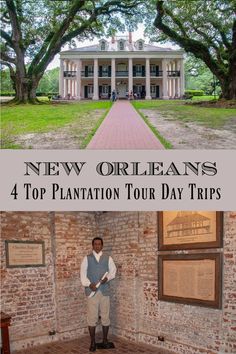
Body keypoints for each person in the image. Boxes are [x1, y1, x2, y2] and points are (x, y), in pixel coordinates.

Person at [80, 237, 117, 352]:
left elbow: (113, 271)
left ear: (102, 245)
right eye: (95, 244)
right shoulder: (87, 258)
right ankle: (92, 342)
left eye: (99, 244)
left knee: (105, 317)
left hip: (104, 291)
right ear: (92, 245)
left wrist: (107, 278)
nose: (97, 246)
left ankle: (105, 340)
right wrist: (89, 284)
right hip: (92, 293)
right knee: (92, 318)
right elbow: (82, 274)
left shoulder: (108, 258)